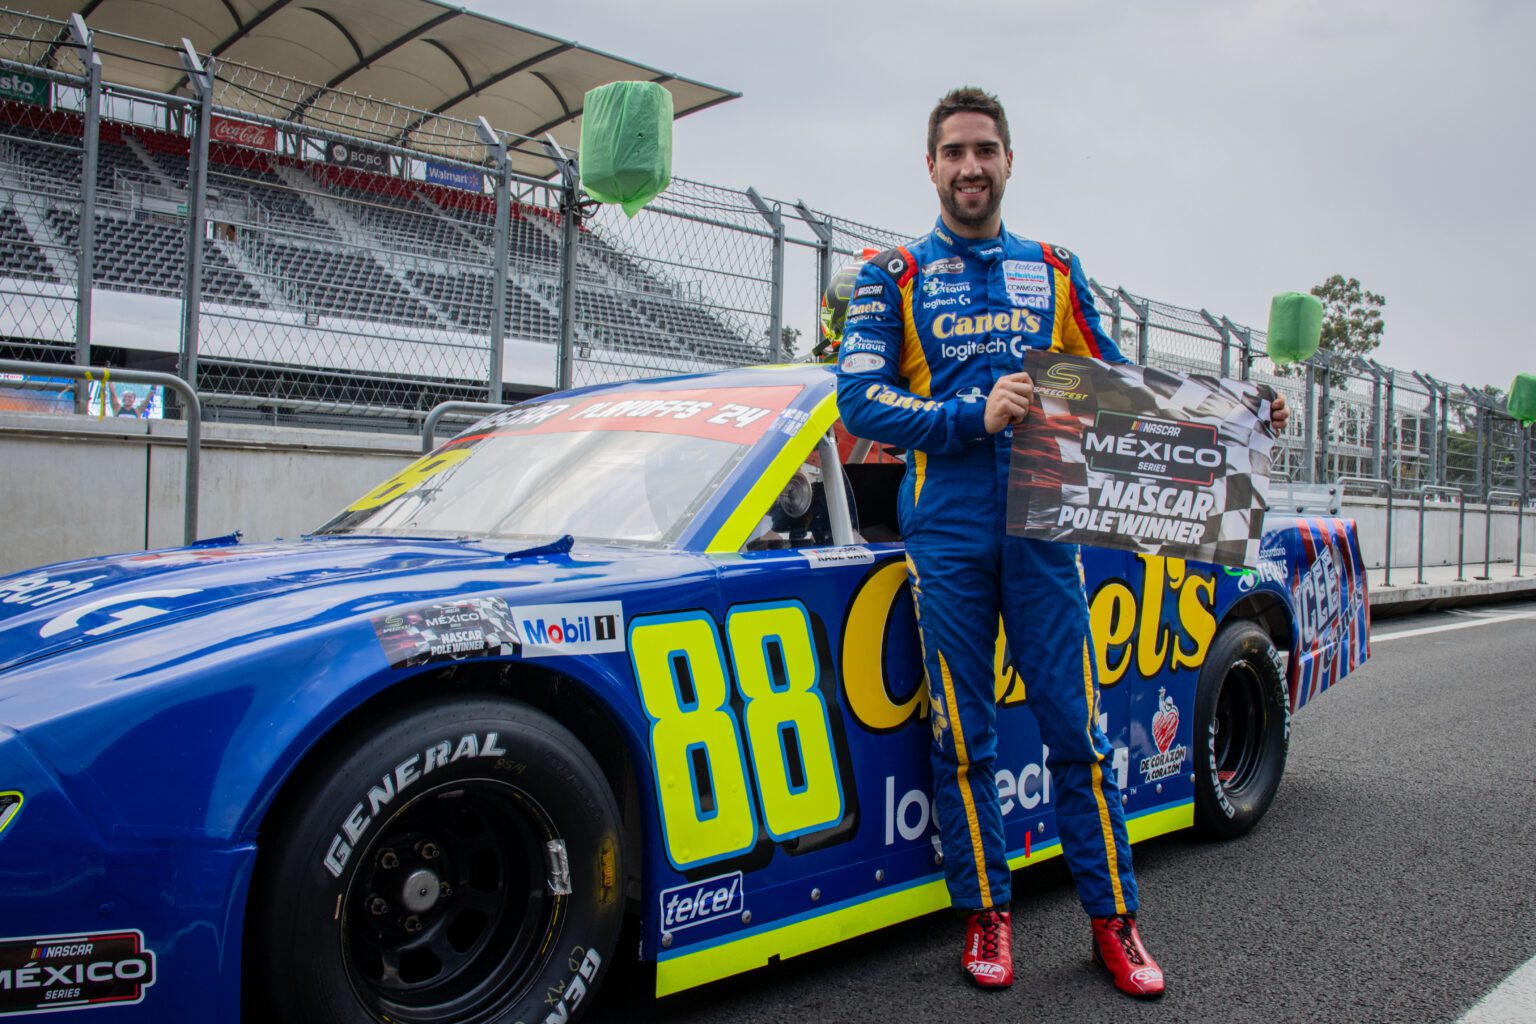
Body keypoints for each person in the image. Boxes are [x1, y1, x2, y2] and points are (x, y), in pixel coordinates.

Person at [834, 86, 1288, 998]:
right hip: (947, 531)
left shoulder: (1053, 268)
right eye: (954, 152)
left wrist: (1235, 413)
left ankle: (1114, 922)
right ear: (931, 166)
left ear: (1009, 160)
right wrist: (968, 415)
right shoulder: (894, 274)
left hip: (1047, 525)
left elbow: (1120, 384)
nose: (970, 167)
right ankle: (986, 915)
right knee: (963, 739)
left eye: (985, 150)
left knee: (1077, 733)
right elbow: (859, 399)